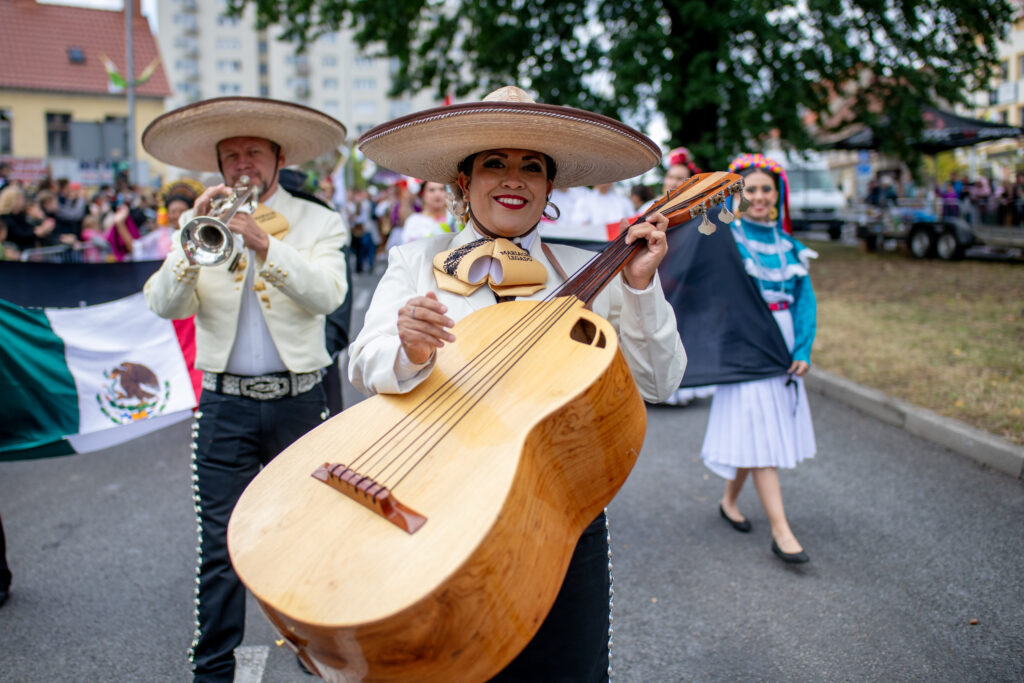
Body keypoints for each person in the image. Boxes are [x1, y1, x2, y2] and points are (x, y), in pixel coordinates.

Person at [351, 85, 685, 682]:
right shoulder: (414, 261)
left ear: (550, 187)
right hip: (439, 504)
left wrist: (637, 288)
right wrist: (407, 346)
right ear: (462, 180)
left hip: (561, 514)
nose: (515, 179)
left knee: (568, 670)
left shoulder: (588, 270)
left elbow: (660, 383)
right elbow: (363, 362)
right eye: (495, 163)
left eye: (533, 166)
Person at [141, 96, 349, 683]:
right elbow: (163, 304)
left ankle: (319, 657)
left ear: (278, 157)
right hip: (225, 403)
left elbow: (328, 296)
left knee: (308, 534)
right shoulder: (196, 224)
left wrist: (263, 242)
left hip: (300, 402)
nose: (242, 166)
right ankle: (212, 670)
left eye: (253, 153)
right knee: (219, 547)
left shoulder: (319, 221)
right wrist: (191, 242)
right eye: (230, 157)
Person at [702, 153, 817, 564]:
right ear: (739, 193)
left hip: (782, 343)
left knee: (760, 425)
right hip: (746, 342)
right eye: (750, 189)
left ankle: (729, 501)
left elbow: (805, 303)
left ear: (777, 193)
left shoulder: (791, 247)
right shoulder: (727, 241)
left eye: (766, 189)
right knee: (764, 429)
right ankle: (781, 531)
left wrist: (802, 348)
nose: (759, 196)